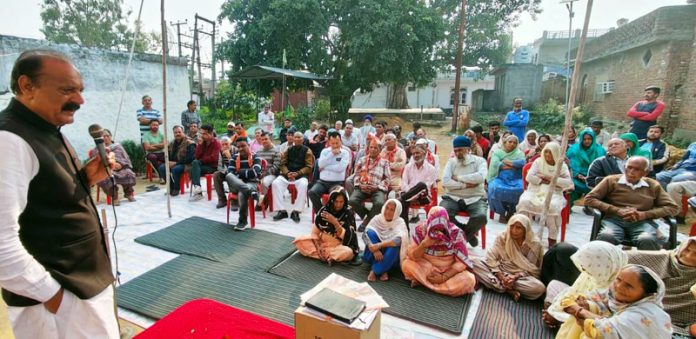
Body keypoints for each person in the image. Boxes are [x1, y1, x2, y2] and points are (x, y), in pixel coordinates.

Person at [0, 49, 118, 337]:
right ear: (27, 86)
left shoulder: (45, 127)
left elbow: (47, 200)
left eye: (80, 90)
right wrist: (54, 297)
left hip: (80, 286)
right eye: (68, 90)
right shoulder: (8, 141)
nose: (79, 100)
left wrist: (86, 177)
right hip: (57, 301)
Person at [584, 156, 679, 250]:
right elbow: (589, 199)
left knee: (647, 239)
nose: (631, 172)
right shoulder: (611, 180)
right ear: (625, 167)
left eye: (637, 169)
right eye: (629, 167)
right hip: (614, 220)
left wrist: (645, 214)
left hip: (642, 222)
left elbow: (673, 207)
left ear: (645, 173)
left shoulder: (653, 185)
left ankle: (646, 264)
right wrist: (617, 210)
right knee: (607, 237)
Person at [557, 264, 672, 339]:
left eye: (629, 286)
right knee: (588, 305)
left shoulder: (645, 313)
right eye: (618, 279)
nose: (619, 287)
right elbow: (570, 300)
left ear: (647, 295)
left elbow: (605, 331)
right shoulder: (610, 297)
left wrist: (580, 311)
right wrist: (582, 307)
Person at [541, 241, 627, 329]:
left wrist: (558, 316)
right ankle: (554, 314)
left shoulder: (618, 287)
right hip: (575, 306)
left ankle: (560, 322)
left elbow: (606, 321)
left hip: (590, 318)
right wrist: (555, 309)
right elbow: (572, 291)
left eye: (589, 265)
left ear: (602, 266)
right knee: (554, 285)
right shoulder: (590, 274)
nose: (582, 268)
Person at [626, 237, 696, 336]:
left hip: (679, 328)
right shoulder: (660, 258)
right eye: (687, 250)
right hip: (637, 313)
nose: (688, 256)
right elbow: (617, 259)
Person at [401, 207, 477, 296]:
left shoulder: (456, 233)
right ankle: (441, 288)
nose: (438, 232)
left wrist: (444, 277)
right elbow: (413, 256)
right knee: (407, 265)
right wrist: (424, 244)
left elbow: (461, 263)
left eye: (441, 229)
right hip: (427, 267)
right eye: (434, 228)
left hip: (449, 270)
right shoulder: (421, 230)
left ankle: (426, 284)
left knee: (470, 280)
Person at [472, 214, 545, 301]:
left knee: (539, 288)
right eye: (512, 226)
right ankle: (508, 290)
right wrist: (501, 276)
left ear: (525, 229)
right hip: (499, 271)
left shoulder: (534, 244)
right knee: (473, 263)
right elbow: (491, 257)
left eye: (518, 228)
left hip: (519, 277)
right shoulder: (503, 237)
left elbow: (531, 269)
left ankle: (501, 287)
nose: (514, 230)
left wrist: (515, 277)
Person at [516, 142, 573, 246]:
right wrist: (542, 181)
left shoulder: (562, 165)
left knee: (552, 206)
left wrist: (547, 177)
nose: (547, 155)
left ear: (556, 153)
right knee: (524, 202)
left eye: (550, 152)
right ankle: (524, 233)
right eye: (546, 151)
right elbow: (529, 177)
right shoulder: (538, 162)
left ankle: (552, 237)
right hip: (535, 190)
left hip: (554, 192)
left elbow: (567, 182)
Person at [440, 136, 487, 247]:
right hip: (453, 197)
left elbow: (480, 177)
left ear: (468, 149)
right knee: (442, 214)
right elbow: (446, 182)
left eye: (460, 150)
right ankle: (469, 236)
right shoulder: (451, 162)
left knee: (481, 217)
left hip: (475, 198)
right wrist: (465, 185)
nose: (457, 153)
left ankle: (461, 238)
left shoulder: (480, 161)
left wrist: (458, 177)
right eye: (455, 150)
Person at [293, 186, 359, 265]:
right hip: (322, 243)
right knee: (299, 241)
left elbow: (348, 237)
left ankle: (324, 256)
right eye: (336, 201)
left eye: (341, 202)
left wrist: (335, 222)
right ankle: (329, 257)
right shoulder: (324, 211)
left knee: (348, 252)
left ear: (345, 201)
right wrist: (319, 248)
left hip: (338, 246)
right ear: (331, 200)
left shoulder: (348, 212)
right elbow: (314, 233)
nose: (338, 205)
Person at [272, 131, 314, 223]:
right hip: (287, 175)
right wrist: (287, 173)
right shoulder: (289, 149)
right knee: (275, 183)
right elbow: (282, 164)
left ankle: (296, 211)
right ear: (293, 139)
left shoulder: (307, 151)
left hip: (300, 175)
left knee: (303, 185)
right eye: (296, 137)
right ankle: (282, 211)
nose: (297, 139)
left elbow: (309, 167)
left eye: (300, 137)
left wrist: (297, 173)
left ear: (303, 139)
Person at [349, 140, 391, 231]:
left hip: (377, 188)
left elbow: (388, 179)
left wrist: (377, 187)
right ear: (368, 148)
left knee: (380, 203)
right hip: (362, 187)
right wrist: (359, 185)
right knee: (352, 201)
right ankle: (369, 217)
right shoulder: (362, 160)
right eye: (371, 147)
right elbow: (356, 174)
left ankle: (366, 221)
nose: (372, 149)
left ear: (380, 149)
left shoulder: (385, 162)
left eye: (375, 148)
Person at [363, 199, 408, 282]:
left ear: (397, 212)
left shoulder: (400, 222)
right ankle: (384, 268)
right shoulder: (378, 218)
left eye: (392, 210)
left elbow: (398, 240)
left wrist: (378, 245)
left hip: (389, 254)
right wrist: (375, 250)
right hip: (374, 253)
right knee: (370, 232)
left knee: (395, 246)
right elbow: (365, 234)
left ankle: (375, 270)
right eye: (387, 208)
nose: (387, 212)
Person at [90, 129, 137, 206]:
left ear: (110, 137)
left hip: (120, 167)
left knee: (128, 173)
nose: (105, 138)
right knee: (108, 177)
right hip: (105, 170)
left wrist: (120, 164)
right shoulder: (97, 149)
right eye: (103, 136)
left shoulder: (117, 146)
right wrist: (109, 165)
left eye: (107, 136)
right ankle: (114, 197)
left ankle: (128, 194)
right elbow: (96, 162)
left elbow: (124, 158)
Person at [223, 137, 261, 230]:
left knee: (241, 193)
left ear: (248, 145)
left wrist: (239, 172)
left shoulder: (255, 156)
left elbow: (255, 172)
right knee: (228, 176)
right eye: (238, 147)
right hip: (236, 185)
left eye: (243, 146)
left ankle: (242, 221)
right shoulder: (234, 157)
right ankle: (250, 192)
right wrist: (247, 172)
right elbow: (231, 173)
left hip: (251, 183)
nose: (240, 149)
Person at [487, 134, 526, 223]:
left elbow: (522, 163)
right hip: (499, 177)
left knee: (520, 189)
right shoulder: (498, 152)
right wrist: (512, 166)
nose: (512, 144)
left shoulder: (520, 153)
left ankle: (511, 211)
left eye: (515, 143)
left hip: (516, 178)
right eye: (510, 142)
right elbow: (496, 164)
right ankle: (501, 212)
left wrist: (505, 162)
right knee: (495, 188)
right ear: (505, 143)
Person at [309, 131, 350, 214]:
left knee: (338, 195)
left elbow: (340, 168)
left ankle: (336, 215)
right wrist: (331, 154)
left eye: (337, 143)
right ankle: (322, 213)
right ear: (329, 142)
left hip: (337, 183)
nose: (335, 145)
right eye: (333, 143)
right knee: (312, 192)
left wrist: (325, 167)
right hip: (322, 182)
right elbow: (320, 164)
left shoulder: (345, 153)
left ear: (341, 141)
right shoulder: (325, 151)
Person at [399, 145, 438, 230]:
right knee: (403, 203)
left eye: (417, 153)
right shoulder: (408, 167)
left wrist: (411, 195)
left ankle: (402, 198)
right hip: (408, 195)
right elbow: (404, 183)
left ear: (424, 153)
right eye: (413, 154)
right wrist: (411, 194)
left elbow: (427, 186)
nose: (415, 155)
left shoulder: (431, 169)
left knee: (421, 185)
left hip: (423, 196)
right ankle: (405, 230)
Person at [567, 129, 606, 204]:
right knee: (570, 185)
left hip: (594, 177)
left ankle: (591, 206)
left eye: (589, 139)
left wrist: (590, 177)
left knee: (600, 186)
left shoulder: (600, 150)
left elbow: (602, 166)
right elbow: (570, 164)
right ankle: (568, 206)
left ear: (593, 139)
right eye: (584, 139)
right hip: (576, 177)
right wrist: (578, 175)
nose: (587, 141)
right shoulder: (574, 149)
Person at [161, 125, 195, 196]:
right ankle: (171, 187)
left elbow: (190, 158)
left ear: (183, 132)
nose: (177, 134)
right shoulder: (172, 143)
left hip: (187, 164)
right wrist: (168, 161)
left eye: (179, 132)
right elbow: (168, 155)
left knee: (176, 169)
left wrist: (175, 163)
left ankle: (176, 188)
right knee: (162, 168)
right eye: (175, 133)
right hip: (175, 163)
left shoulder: (190, 143)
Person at [189, 124, 221, 201]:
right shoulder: (202, 143)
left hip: (212, 167)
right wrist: (199, 145)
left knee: (194, 166)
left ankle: (198, 190)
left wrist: (201, 160)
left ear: (210, 134)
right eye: (201, 133)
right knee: (195, 164)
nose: (202, 136)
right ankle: (198, 189)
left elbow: (214, 158)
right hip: (202, 166)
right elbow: (196, 156)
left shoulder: (216, 144)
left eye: (204, 134)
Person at [255, 131, 281, 209]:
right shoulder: (258, 151)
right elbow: (256, 164)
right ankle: (257, 199)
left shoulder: (276, 151)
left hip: (272, 174)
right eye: (262, 139)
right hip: (260, 174)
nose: (264, 141)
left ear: (271, 139)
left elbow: (276, 167)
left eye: (266, 139)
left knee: (264, 182)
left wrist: (264, 174)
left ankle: (263, 202)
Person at [213, 136, 235, 208]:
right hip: (226, 171)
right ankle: (222, 199)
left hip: (236, 172)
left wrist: (229, 157)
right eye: (223, 144)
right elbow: (219, 165)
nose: (225, 146)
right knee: (216, 175)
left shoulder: (235, 150)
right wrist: (225, 171)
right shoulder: (220, 151)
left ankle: (234, 200)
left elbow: (238, 165)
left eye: (226, 144)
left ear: (230, 144)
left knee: (230, 175)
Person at [142, 119, 166, 184]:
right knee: (153, 157)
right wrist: (160, 145)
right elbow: (147, 148)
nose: (155, 126)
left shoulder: (161, 134)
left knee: (168, 157)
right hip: (150, 154)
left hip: (161, 153)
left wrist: (153, 145)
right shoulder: (146, 135)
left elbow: (165, 145)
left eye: (157, 125)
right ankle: (161, 176)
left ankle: (167, 175)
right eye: (153, 125)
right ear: (150, 125)